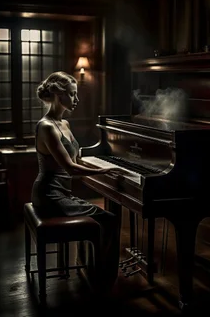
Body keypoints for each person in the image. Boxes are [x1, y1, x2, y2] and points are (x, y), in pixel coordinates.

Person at [31, 71, 122, 291]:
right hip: (49, 195)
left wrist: (103, 163)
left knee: (101, 219)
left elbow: (78, 158)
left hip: (63, 193)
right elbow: (71, 168)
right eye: (72, 95)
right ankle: (102, 279)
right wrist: (105, 172)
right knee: (109, 220)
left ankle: (90, 268)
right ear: (58, 95)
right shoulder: (47, 127)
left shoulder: (65, 124)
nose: (76, 100)